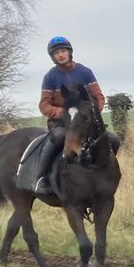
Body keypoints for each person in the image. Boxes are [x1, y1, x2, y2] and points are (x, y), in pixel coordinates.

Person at [34, 36, 107, 192]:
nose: (60, 55)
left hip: (85, 120)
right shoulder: (50, 77)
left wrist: (92, 113)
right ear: (52, 57)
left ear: (69, 52)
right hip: (62, 122)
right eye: (56, 53)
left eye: (63, 51)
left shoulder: (85, 72)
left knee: (113, 140)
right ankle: (42, 178)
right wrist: (62, 113)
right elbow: (44, 104)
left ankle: (108, 174)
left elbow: (99, 97)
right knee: (58, 138)